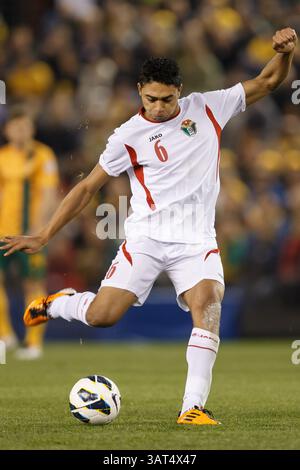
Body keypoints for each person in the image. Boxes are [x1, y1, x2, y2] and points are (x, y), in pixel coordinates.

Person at [1, 28, 297, 423]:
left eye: (167, 99)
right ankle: (59, 304)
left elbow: (269, 80)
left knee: (208, 304)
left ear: (180, 90)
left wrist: (286, 53)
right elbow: (87, 187)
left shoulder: (209, 108)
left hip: (196, 240)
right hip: (147, 238)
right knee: (103, 316)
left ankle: (192, 408)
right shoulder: (128, 135)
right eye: (150, 99)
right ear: (140, 90)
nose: (157, 107)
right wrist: (45, 234)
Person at [0, 110, 59, 360]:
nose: (21, 132)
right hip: (3, 232)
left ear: (32, 129)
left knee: (33, 284)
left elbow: (48, 194)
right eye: (16, 127)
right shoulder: (2, 157)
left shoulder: (42, 155)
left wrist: (38, 229)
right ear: (7, 130)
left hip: (30, 233)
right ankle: (5, 335)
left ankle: (33, 343)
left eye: (25, 127)